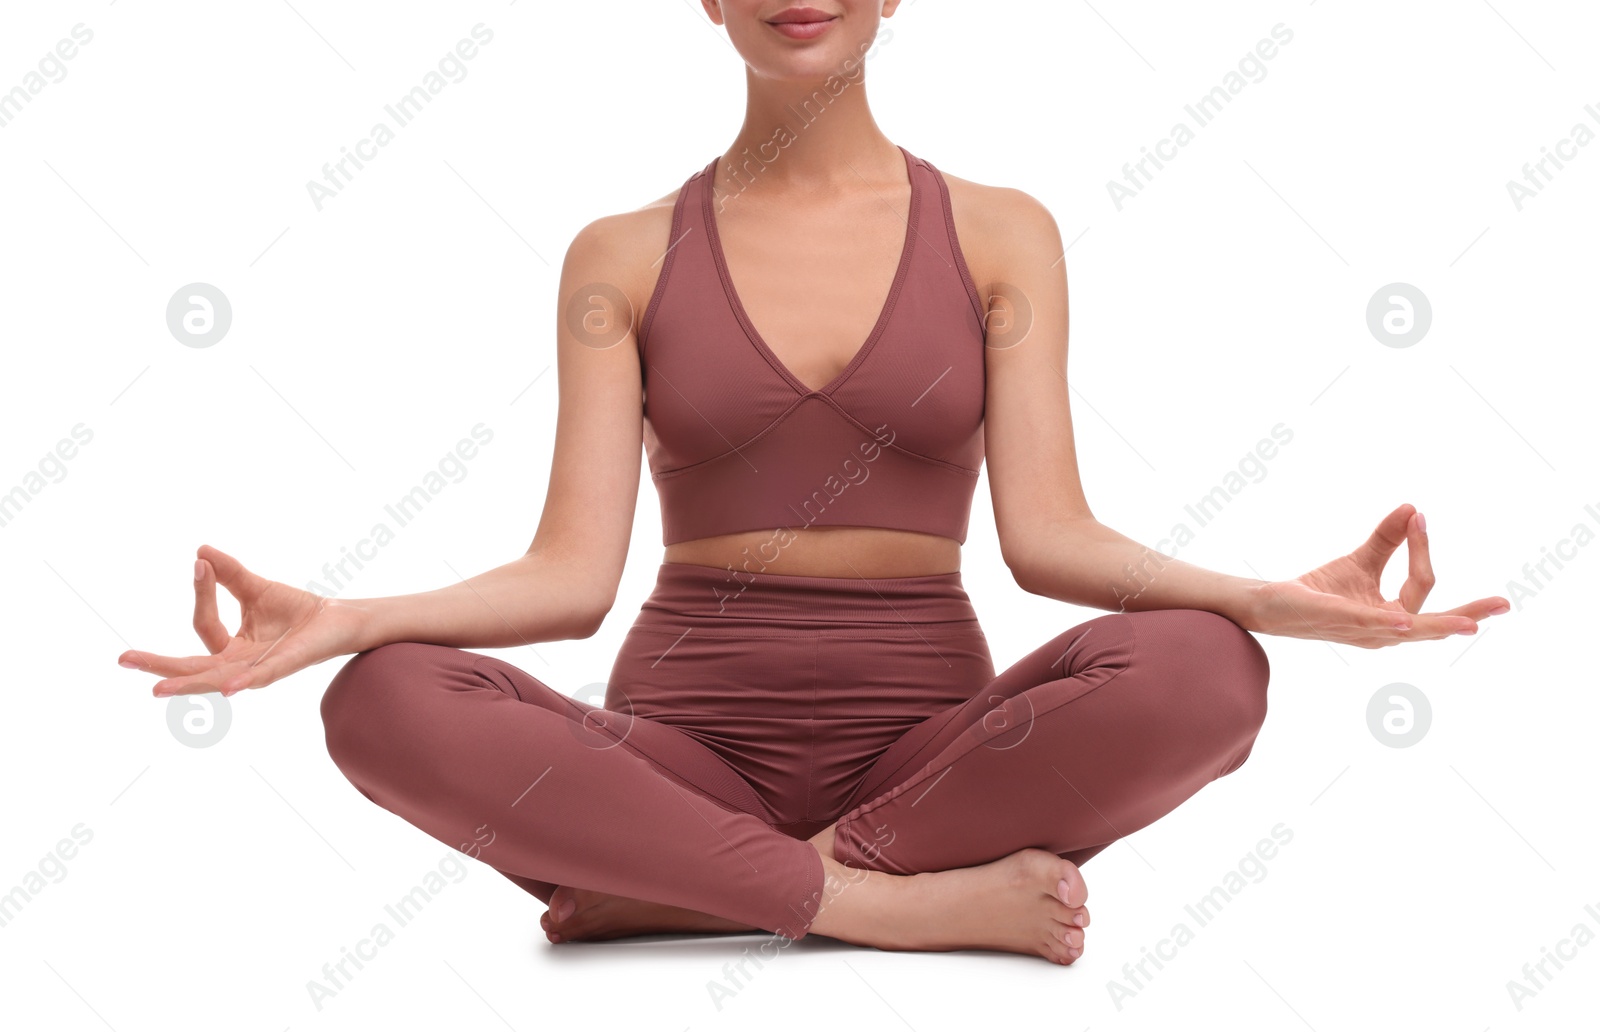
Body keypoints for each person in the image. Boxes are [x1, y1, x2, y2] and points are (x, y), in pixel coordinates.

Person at [117, 0, 1509, 967]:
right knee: (383, 702)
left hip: (936, 758)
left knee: (1211, 674)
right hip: (677, 758)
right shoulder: (622, 253)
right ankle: (877, 905)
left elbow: (1052, 538)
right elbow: (567, 579)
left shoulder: (999, 230)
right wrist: (347, 621)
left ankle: (676, 894)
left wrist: (1268, 599)